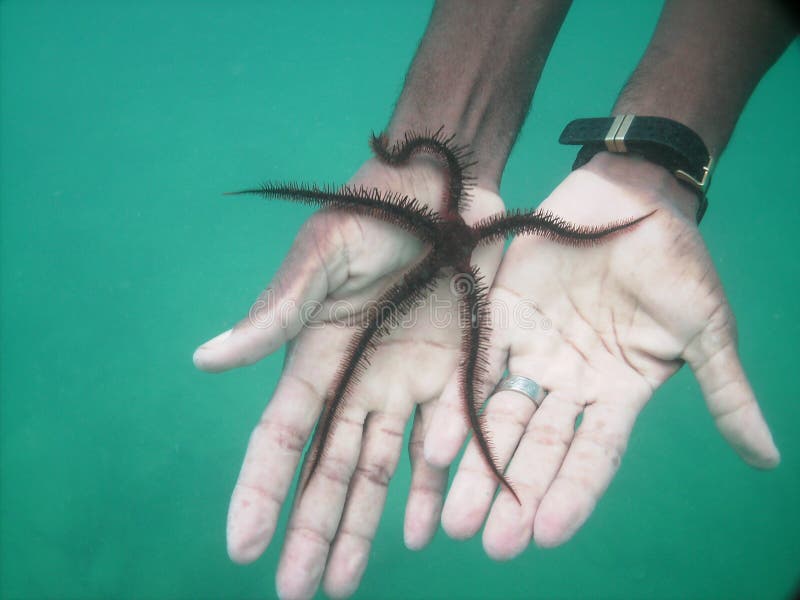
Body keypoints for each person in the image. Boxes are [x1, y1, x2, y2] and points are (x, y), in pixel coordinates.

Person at [193, 1, 795, 598]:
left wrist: (649, 179)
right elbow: (449, 163)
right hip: (455, 222)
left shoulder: (457, 250)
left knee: (380, 331)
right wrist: (651, 168)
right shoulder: (450, 241)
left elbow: (462, 178)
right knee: (371, 334)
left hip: (467, 231)